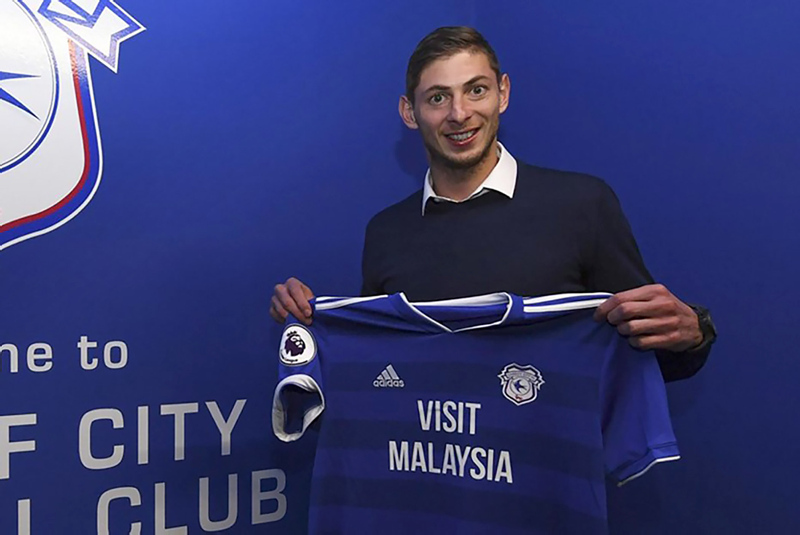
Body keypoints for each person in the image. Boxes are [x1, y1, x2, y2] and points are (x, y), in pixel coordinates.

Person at [270, 26, 715, 381]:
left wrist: (692, 333)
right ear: (409, 112)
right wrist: (309, 323)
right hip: (427, 464)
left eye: (476, 90)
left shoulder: (582, 204)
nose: (459, 113)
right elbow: (376, 371)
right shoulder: (386, 231)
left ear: (503, 92)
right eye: (438, 98)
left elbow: (654, 353)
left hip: (552, 464)